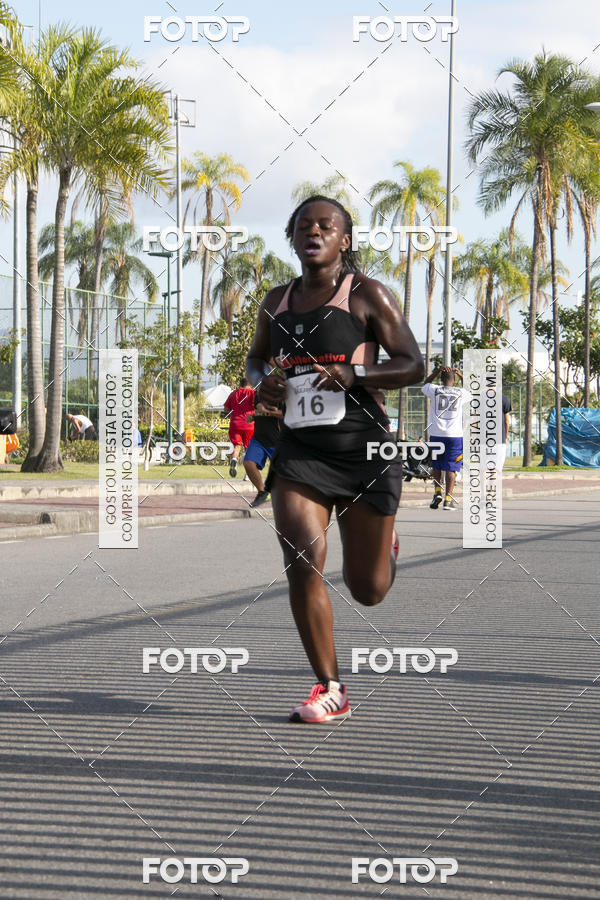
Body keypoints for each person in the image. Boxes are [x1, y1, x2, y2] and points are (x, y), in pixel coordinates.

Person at [246, 195, 424, 723]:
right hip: (301, 452)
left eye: (327, 226)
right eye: (304, 225)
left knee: (368, 590)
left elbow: (414, 363)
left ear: (345, 240)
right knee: (302, 559)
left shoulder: (368, 296)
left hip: (364, 450)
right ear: (293, 236)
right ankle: (330, 687)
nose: (314, 232)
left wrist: (356, 375)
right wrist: (264, 383)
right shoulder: (276, 301)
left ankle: (385, 547)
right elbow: (256, 359)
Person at [421, 365, 469, 510]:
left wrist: (436, 371)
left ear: (441, 380)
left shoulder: (434, 390)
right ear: (454, 381)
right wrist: (460, 374)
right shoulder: (460, 392)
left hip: (436, 434)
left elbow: (425, 384)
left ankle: (437, 493)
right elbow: (472, 390)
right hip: (454, 436)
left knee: (436, 465)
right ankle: (448, 499)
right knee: (451, 468)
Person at [243, 398, 282, 508]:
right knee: (248, 463)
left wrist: (269, 411)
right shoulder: (258, 393)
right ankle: (263, 493)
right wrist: (253, 417)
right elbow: (259, 410)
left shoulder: (283, 394)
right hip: (258, 439)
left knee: (286, 475)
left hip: (279, 441)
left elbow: (287, 414)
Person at [222, 378, 255, 477]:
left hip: (235, 424)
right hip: (249, 424)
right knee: (248, 449)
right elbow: (258, 405)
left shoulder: (233, 394)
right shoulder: (253, 393)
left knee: (237, 446)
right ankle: (247, 475)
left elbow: (226, 408)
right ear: (250, 385)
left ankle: (234, 460)